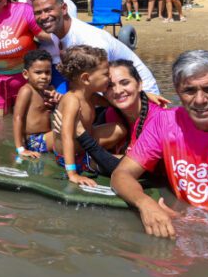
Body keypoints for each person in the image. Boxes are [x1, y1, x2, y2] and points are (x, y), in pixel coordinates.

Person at [111, 50, 208, 238]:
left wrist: (191, 223)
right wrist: (145, 204)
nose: (200, 100)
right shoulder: (166, 122)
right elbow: (121, 174)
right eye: (189, 91)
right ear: (178, 91)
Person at [32, 0, 160, 94]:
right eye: (38, 13)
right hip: (111, 88)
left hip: (141, 92)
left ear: (64, 9)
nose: (43, 17)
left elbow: (97, 87)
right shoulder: (55, 33)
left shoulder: (90, 40)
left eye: (49, 10)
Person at [59, 59, 166, 176]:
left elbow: (136, 172)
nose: (118, 91)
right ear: (103, 90)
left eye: (125, 83)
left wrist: (81, 133)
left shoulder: (158, 120)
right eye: (110, 86)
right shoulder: (110, 112)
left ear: (139, 84)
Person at [54, 45, 110, 187]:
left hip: (85, 147)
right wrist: (72, 174)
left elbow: (118, 104)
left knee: (120, 129)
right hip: (73, 158)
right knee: (118, 166)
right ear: (86, 78)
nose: (110, 78)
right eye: (105, 74)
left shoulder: (92, 96)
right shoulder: (72, 101)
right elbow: (66, 136)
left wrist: (145, 96)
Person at [12, 49, 55, 158]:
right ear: (26, 74)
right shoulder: (27, 91)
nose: (44, 76)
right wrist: (20, 148)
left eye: (47, 72)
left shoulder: (49, 89)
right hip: (34, 141)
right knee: (66, 134)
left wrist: (57, 102)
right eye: (38, 72)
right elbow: (17, 118)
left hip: (47, 136)